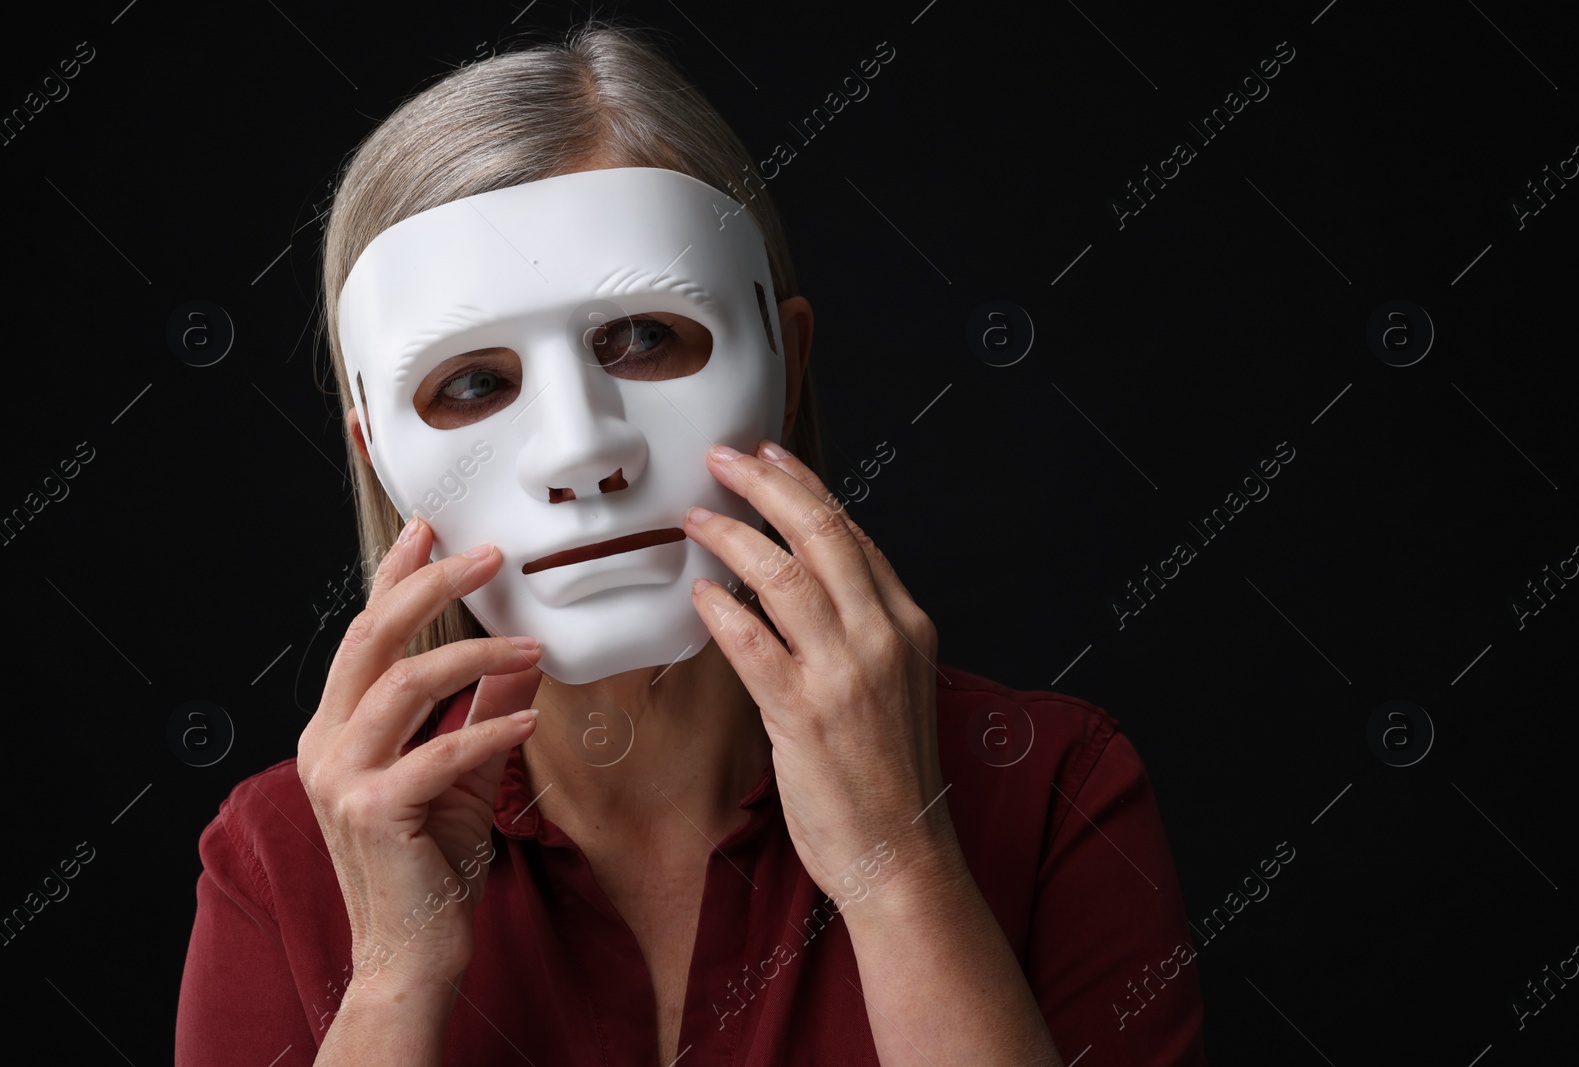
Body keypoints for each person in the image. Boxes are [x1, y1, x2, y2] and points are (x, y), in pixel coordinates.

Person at [176, 20, 1207, 1066]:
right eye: (475, 383)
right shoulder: (284, 856)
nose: (584, 451)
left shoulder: (1040, 784)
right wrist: (395, 979)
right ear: (376, 452)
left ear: (786, 361)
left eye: (645, 337)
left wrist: (899, 872)